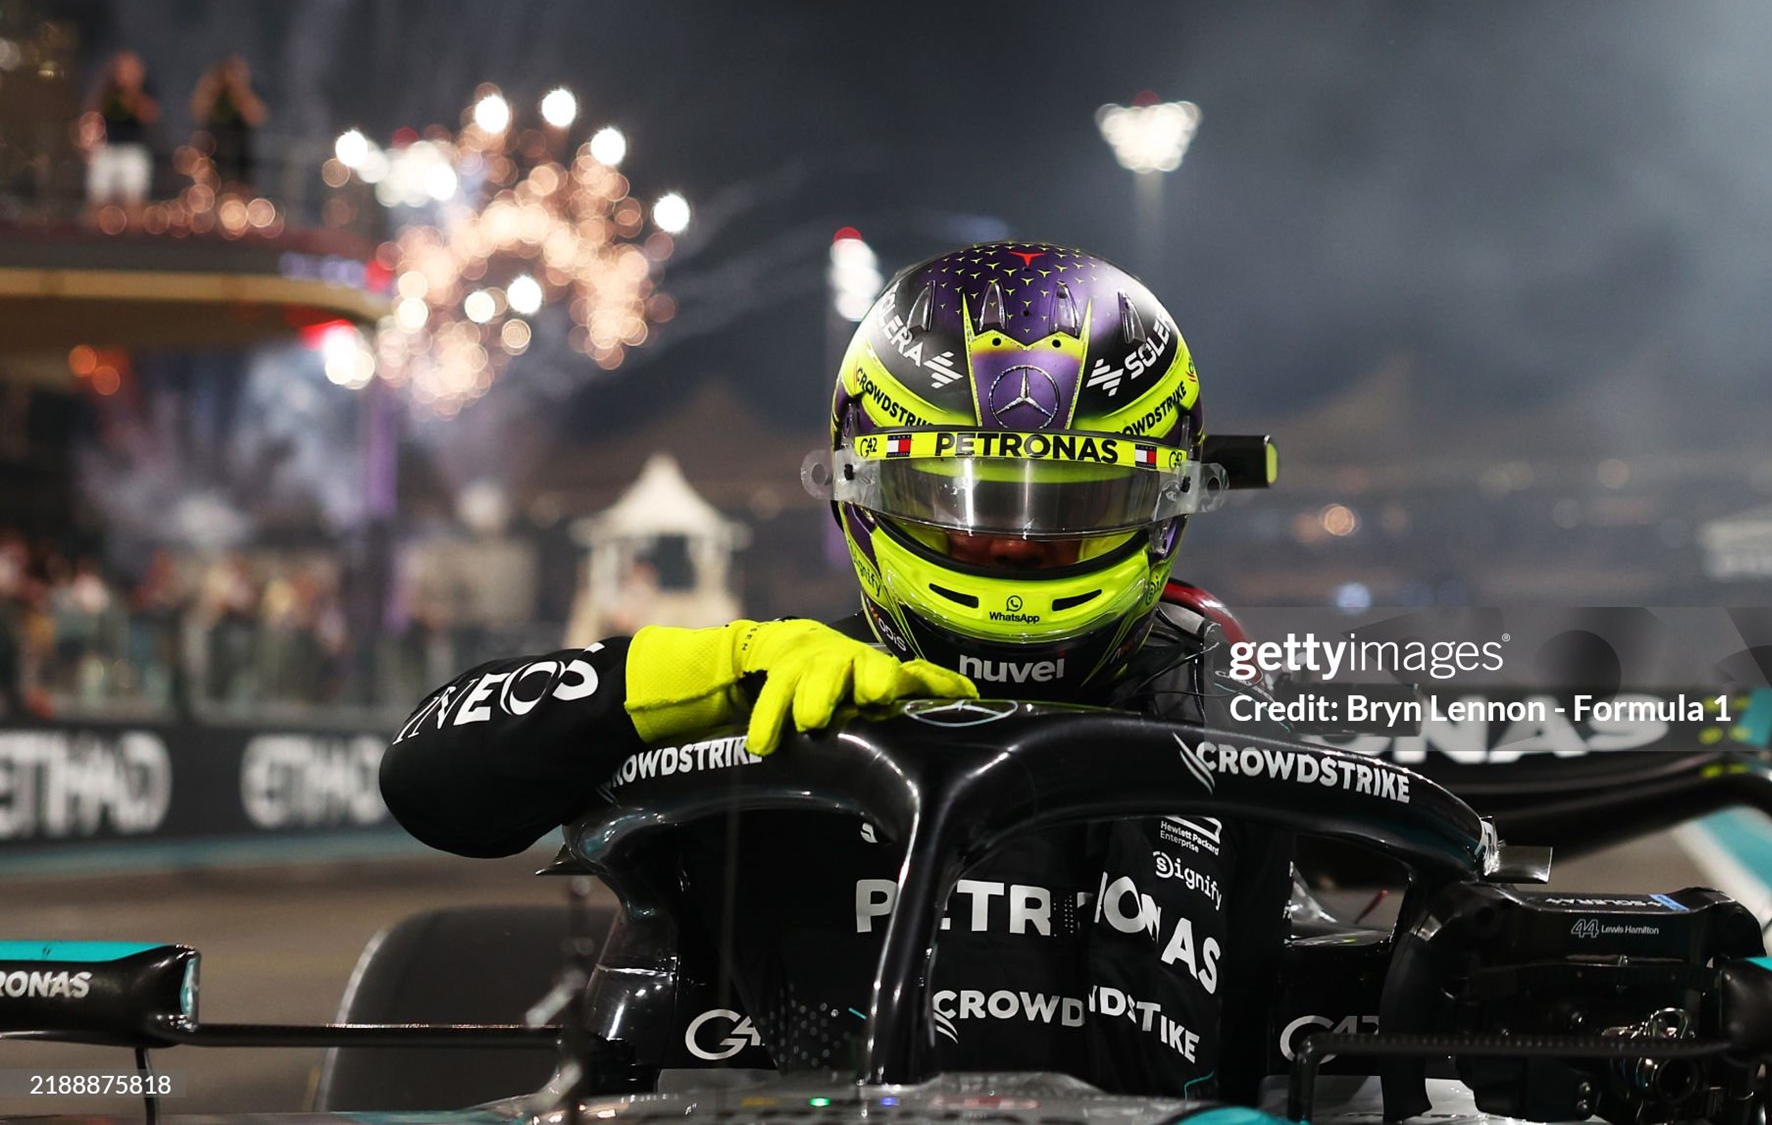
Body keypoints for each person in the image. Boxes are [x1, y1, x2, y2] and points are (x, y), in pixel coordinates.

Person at [379, 242, 1286, 1100]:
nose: (1015, 544)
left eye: (1073, 508)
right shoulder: (766, 693)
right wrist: (724, 665)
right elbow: (428, 778)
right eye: (967, 511)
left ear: (1166, 503)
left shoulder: (1225, 740)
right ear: (866, 490)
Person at [80, 50, 158, 217]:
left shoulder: (144, 90)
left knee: (133, 200)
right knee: (97, 199)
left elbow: (150, 116)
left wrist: (132, 91)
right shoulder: (106, 92)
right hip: (107, 149)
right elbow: (92, 114)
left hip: (132, 150)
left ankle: (133, 239)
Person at [189, 55, 268, 193]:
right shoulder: (215, 94)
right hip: (214, 156)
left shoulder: (245, 93)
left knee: (239, 201)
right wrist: (211, 85)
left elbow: (257, 116)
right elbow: (198, 111)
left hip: (240, 158)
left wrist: (239, 89)